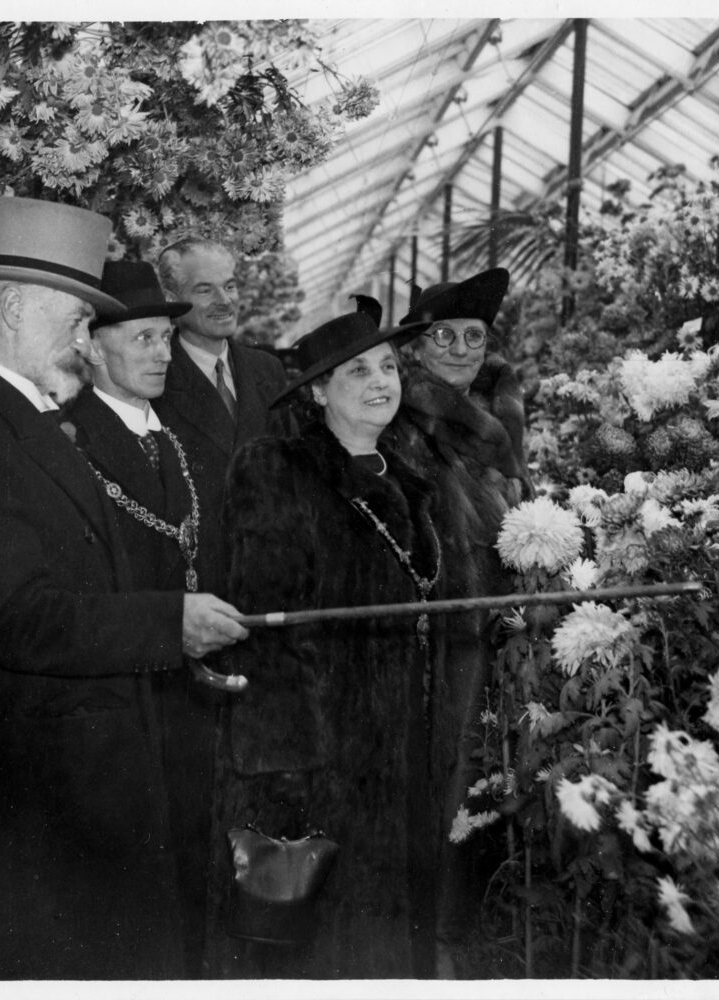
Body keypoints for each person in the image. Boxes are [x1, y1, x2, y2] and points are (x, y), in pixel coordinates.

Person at [0, 198, 248, 980]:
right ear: (15, 307)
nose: (86, 343)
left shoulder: (14, 418)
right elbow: (14, 618)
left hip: (86, 775)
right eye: (77, 319)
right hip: (40, 794)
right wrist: (169, 624)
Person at [206, 301, 441, 978]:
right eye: (357, 370)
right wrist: (286, 781)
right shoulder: (278, 470)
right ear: (316, 391)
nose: (380, 381)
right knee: (320, 953)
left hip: (398, 754)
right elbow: (266, 630)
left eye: (389, 366)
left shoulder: (406, 479)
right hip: (320, 761)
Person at [61, 259, 215, 978]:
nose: (162, 354)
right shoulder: (70, 443)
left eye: (166, 339)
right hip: (120, 705)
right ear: (90, 345)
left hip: (189, 703)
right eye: (143, 339)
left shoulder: (177, 439)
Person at [382, 267, 528, 964]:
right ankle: (434, 935)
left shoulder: (501, 418)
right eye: (447, 336)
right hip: (439, 621)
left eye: (475, 336)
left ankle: (466, 922)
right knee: (447, 765)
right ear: (418, 345)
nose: (464, 348)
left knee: (487, 764)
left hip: (498, 618)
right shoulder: (404, 417)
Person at [153, 236, 289, 591]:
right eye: (205, 290)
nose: (225, 301)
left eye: (229, 286)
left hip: (271, 577)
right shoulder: (155, 378)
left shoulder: (267, 372)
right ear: (172, 301)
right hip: (198, 582)